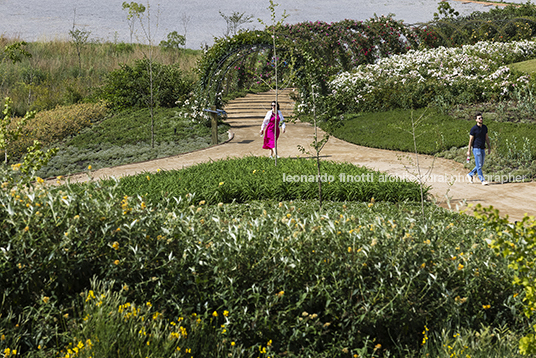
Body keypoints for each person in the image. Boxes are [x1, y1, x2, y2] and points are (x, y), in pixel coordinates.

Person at [466, 112, 491, 185]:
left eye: (481, 118)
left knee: (481, 165)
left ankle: (470, 174)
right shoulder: (473, 129)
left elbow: (486, 138)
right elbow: (470, 140)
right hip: (476, 148)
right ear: (476, 120)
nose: (481, 119)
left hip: (483, 148)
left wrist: (489, 147)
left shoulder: (484, 127)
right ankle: (482, 180)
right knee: (479, 166)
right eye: (479, 118)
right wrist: (469, 150)